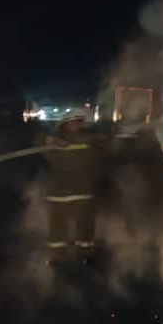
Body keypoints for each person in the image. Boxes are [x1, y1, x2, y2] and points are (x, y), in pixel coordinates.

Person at [34, 108, 109, 265]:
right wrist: (52, 142)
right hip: (59, 194)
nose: (75, 125)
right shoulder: (55, 141)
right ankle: (56, 258)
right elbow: (38, 140)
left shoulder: (90, 140)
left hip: (84, 192)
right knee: (57, 230)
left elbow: (105, 145)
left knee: (86, 228)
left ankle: (85, 256)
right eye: (72, 122)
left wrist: (103, 136)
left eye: (78, 122)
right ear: (64, 124)